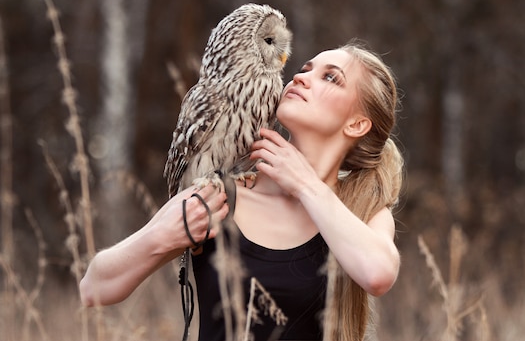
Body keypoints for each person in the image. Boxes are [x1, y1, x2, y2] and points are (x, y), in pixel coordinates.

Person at [80, 41, 404, 341]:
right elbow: (94, 287)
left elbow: (377, 274)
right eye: (305, 69)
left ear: (357, 125)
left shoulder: (364, 211)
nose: (301, 78)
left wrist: (305, 185)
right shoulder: (220, 198)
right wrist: (161, 236)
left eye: (330, 78)